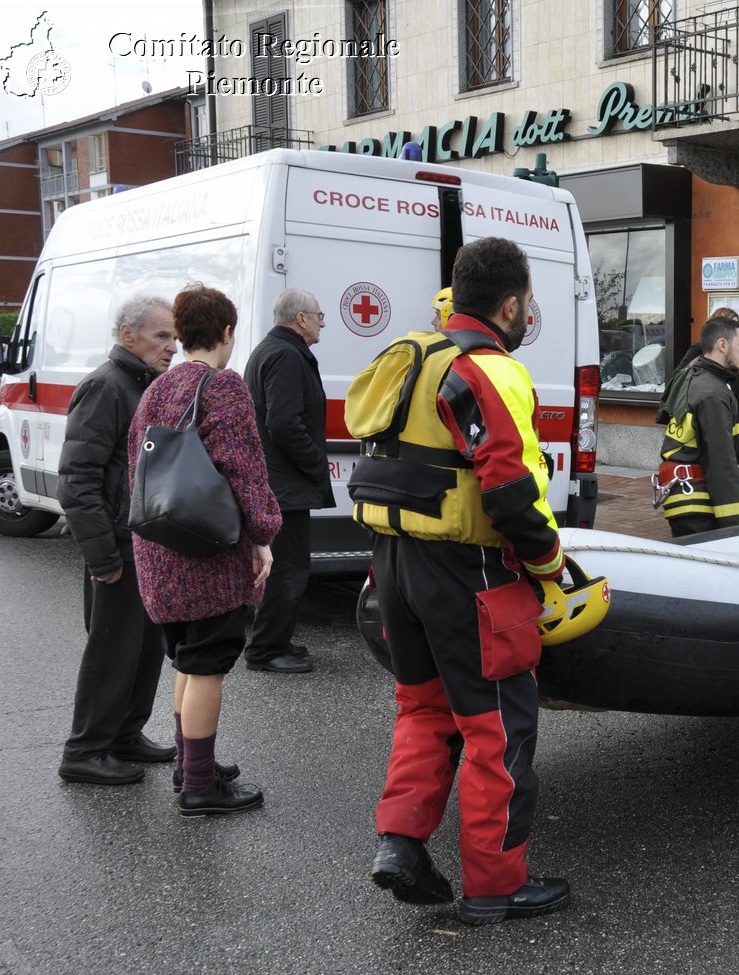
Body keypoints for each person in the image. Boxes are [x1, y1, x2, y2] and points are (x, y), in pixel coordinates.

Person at [351, 237, 571, 924]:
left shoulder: (413, 357)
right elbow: (508, 490)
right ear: (511, 304)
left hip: (393, 563)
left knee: (423, 709)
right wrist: (549, 568)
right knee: (496, 728)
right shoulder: (491, 371)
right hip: (468, 571)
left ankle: (401, 843)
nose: (526, 316)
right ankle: (496, 887)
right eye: (527, 305)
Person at [128, 286, 281, 816]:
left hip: (160, 549)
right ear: (225, 333)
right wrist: (263, 535)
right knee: (209, 663)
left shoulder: (157, 389)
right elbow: (244, 469)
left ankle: (189, 763)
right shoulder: (223, 387)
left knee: (189, 663)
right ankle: (199, 785)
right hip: (208, 553)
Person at [55, 294, 178, 785]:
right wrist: (102, 556)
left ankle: (125, 734)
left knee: (144, 646)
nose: (172, 347)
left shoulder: (144, 384)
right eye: (161, 336)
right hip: (118, 547)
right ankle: (85, 750)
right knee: (112, 649)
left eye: (174, 337)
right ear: (128, 336)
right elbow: (76, 479)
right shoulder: (106, 386)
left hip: (144, 543)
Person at [242, 288, 331, 674]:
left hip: (277, 482)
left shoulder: (272, 350)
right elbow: (283, 423)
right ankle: (265, 651)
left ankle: (275, 639)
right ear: (300, 319)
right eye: (319, 315)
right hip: (285, 486)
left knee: (283, 567)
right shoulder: (286, 355)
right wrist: (315, 461)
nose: (322, 321)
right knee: (288, 569)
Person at [657, 316, 739, 537]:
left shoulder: (698, 377)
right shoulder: (713, 393)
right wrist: (733, 527)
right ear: (722, 344)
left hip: (689, 501)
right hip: (699, 506)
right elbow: (720, 462)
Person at [669, 308, 739, 480]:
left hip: (735, 413)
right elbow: (678, 377)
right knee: (724, 468)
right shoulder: (699, 350)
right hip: (716, 413)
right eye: (731, 322)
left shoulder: (736, 352)